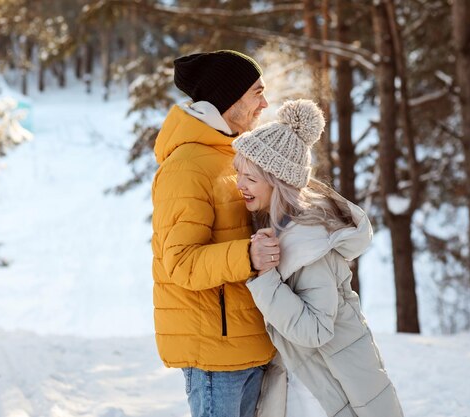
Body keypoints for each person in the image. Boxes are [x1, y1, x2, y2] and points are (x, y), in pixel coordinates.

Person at [232, 99, 404, 417]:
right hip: (310, 383)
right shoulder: (281, 229)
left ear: (277, 182)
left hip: (327, 395)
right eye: (238, 172)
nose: (239, 184)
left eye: (250, 178)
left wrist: (263, 277)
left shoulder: (309, 243)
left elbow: (315, 331)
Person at [151, 50, 280, 417]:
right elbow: (181, 262)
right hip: (215, 352)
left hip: (246, 343)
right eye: (257, 92)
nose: (265, 103)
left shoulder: (228, 157)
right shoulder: (187, 167)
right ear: (229, 98)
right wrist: (248, 256)